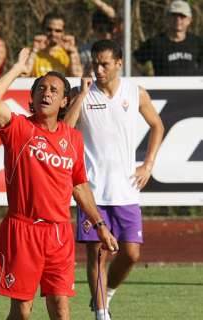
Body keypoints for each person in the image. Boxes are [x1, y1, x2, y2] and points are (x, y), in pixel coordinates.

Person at [0, 48, 118, 320]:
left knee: (61, 309)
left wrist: (100, 226)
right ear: (32, 97)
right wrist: (17, 68)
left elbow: (79, 186)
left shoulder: (73, 139)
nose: (46, 93)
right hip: (23, 230)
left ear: (64, 101)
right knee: (22, 312)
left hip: (59, 235)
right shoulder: (20, 130)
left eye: (54, 90)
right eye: (41, 88)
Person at [65, 39, 164, 320]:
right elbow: (65, 130)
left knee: (131, 254)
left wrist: (148, 163)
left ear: (119, 63)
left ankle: (105, 295)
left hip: (126, 190)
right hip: (92, 191)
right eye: (95, 63)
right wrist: (81, 96)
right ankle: (101, 314)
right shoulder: (81, 93)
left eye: (105, 64)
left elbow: (157, 125)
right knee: (98, 255)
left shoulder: (136, 93)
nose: (98, 69)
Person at [134, 0, 203, 76]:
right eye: (174, 15)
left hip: (192, 87)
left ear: (189, 20)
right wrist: (143, 79)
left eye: (182, 16)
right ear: (167, 17)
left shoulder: (197, 43)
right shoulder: (155, 43)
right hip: (163, 87)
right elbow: (133, 62)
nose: (178, 19)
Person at [29, 12, 83, 77]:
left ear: (63, 32)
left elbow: (77, 76)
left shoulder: (69, 53)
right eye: (49, 30)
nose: (53, 34)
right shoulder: (31, 51)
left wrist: (73, 52)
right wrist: (34, 51)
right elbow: (23, 76)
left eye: (58, 31)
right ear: (43, 29)